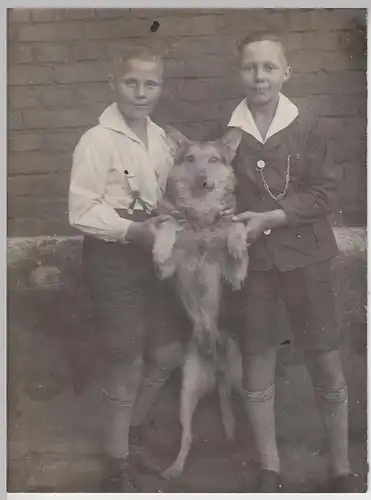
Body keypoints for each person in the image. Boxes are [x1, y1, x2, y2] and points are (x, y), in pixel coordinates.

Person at [68, 45, 235, 492]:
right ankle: (116, 463)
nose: (141, 92)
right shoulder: (97, 140)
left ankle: (131, 429)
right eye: (131, 83)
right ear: (113, 84)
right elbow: (81, 211)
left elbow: (174, 193)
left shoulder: (163, 139)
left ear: (161, 87)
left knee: (165, 352)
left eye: (151, 84)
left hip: (159, 255)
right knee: (127, 358)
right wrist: (134, 231)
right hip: (115, 255)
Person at [224, 31, 357, 493]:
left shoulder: (309, 126)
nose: (259, 76)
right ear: (239, 73)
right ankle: (269, 465)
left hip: (308, 259)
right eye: (250, 67)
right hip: (255, 266)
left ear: (286, 73)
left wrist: (273, 217)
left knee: (324, 358)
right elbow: (221, 195)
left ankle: (340, 465)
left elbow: (326, 192)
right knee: (257, 359)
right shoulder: (230, 133)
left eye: (268, 68)